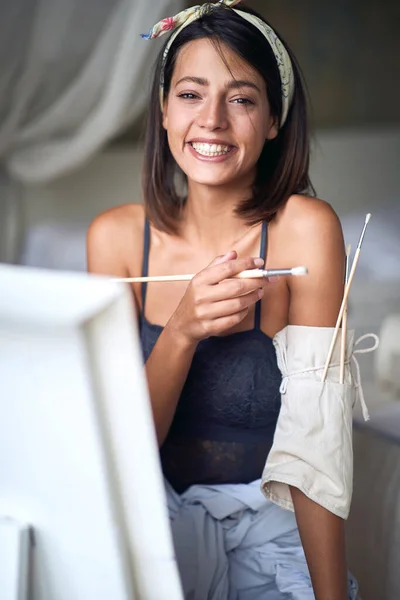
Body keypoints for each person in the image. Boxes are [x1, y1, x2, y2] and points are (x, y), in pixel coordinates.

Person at [87, 1, 360, 598]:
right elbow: (120, 448)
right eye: (190, 94)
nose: (211, 120)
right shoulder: (116, 239)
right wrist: (182, 330)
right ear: (163, 110)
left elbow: (319, 440)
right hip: (149, 530)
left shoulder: (304, 230)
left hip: (270, 538)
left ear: (273, 120)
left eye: (240, 99)